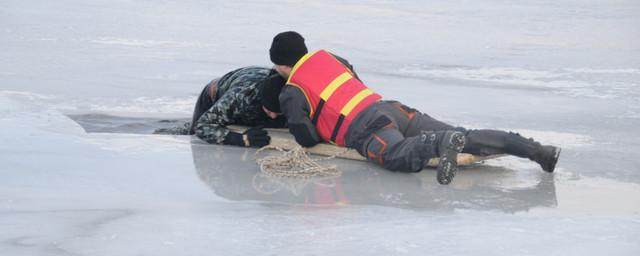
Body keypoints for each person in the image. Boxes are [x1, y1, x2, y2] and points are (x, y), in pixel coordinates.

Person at [261, 31, 561, 185]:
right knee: (465, 134)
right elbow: (353, 77)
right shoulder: (330, 57)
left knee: (396, 156)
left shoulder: (292, 90)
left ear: (282, 65)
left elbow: (306, 137)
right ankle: (539, 152)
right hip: (389, 108)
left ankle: (440, 144)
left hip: (365, 129)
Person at [156, 66, 288, 147]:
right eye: (270, 111)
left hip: (252, 90)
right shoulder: (239, 97)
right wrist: (241, 139)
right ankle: (168, 131)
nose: (273, 116)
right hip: (213, 94)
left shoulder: (295, 98)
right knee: (194, 134)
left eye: (278, 112)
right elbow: (202, 126)